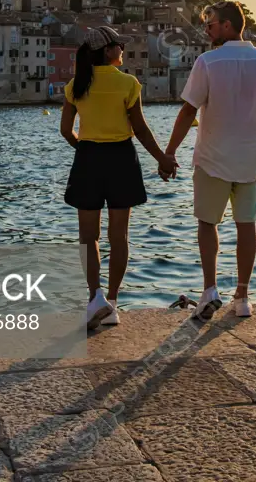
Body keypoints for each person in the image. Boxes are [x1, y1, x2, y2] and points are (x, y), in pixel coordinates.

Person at [162, 0, 256, 320]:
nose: (207, 29)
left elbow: (189, 109)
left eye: (211, 23)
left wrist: (170, 151)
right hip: (250, 160)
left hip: (212, 157)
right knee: (247, 226)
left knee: (207, 223)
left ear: (228, 26)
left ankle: (209, 290)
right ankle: (242, 297)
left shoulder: (208, 62)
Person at [60, 25, 177, 329]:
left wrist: (84, 147)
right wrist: (163, 158)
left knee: (89, 237)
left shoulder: (76, 85)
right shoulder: (128, 83)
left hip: (88, 160)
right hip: (121, 159)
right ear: (108, 50)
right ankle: (112, 302)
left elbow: (65, 130)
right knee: (118, 236)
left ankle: (95, 296)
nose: (123, 49)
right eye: (119, 45)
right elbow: (139, 129)